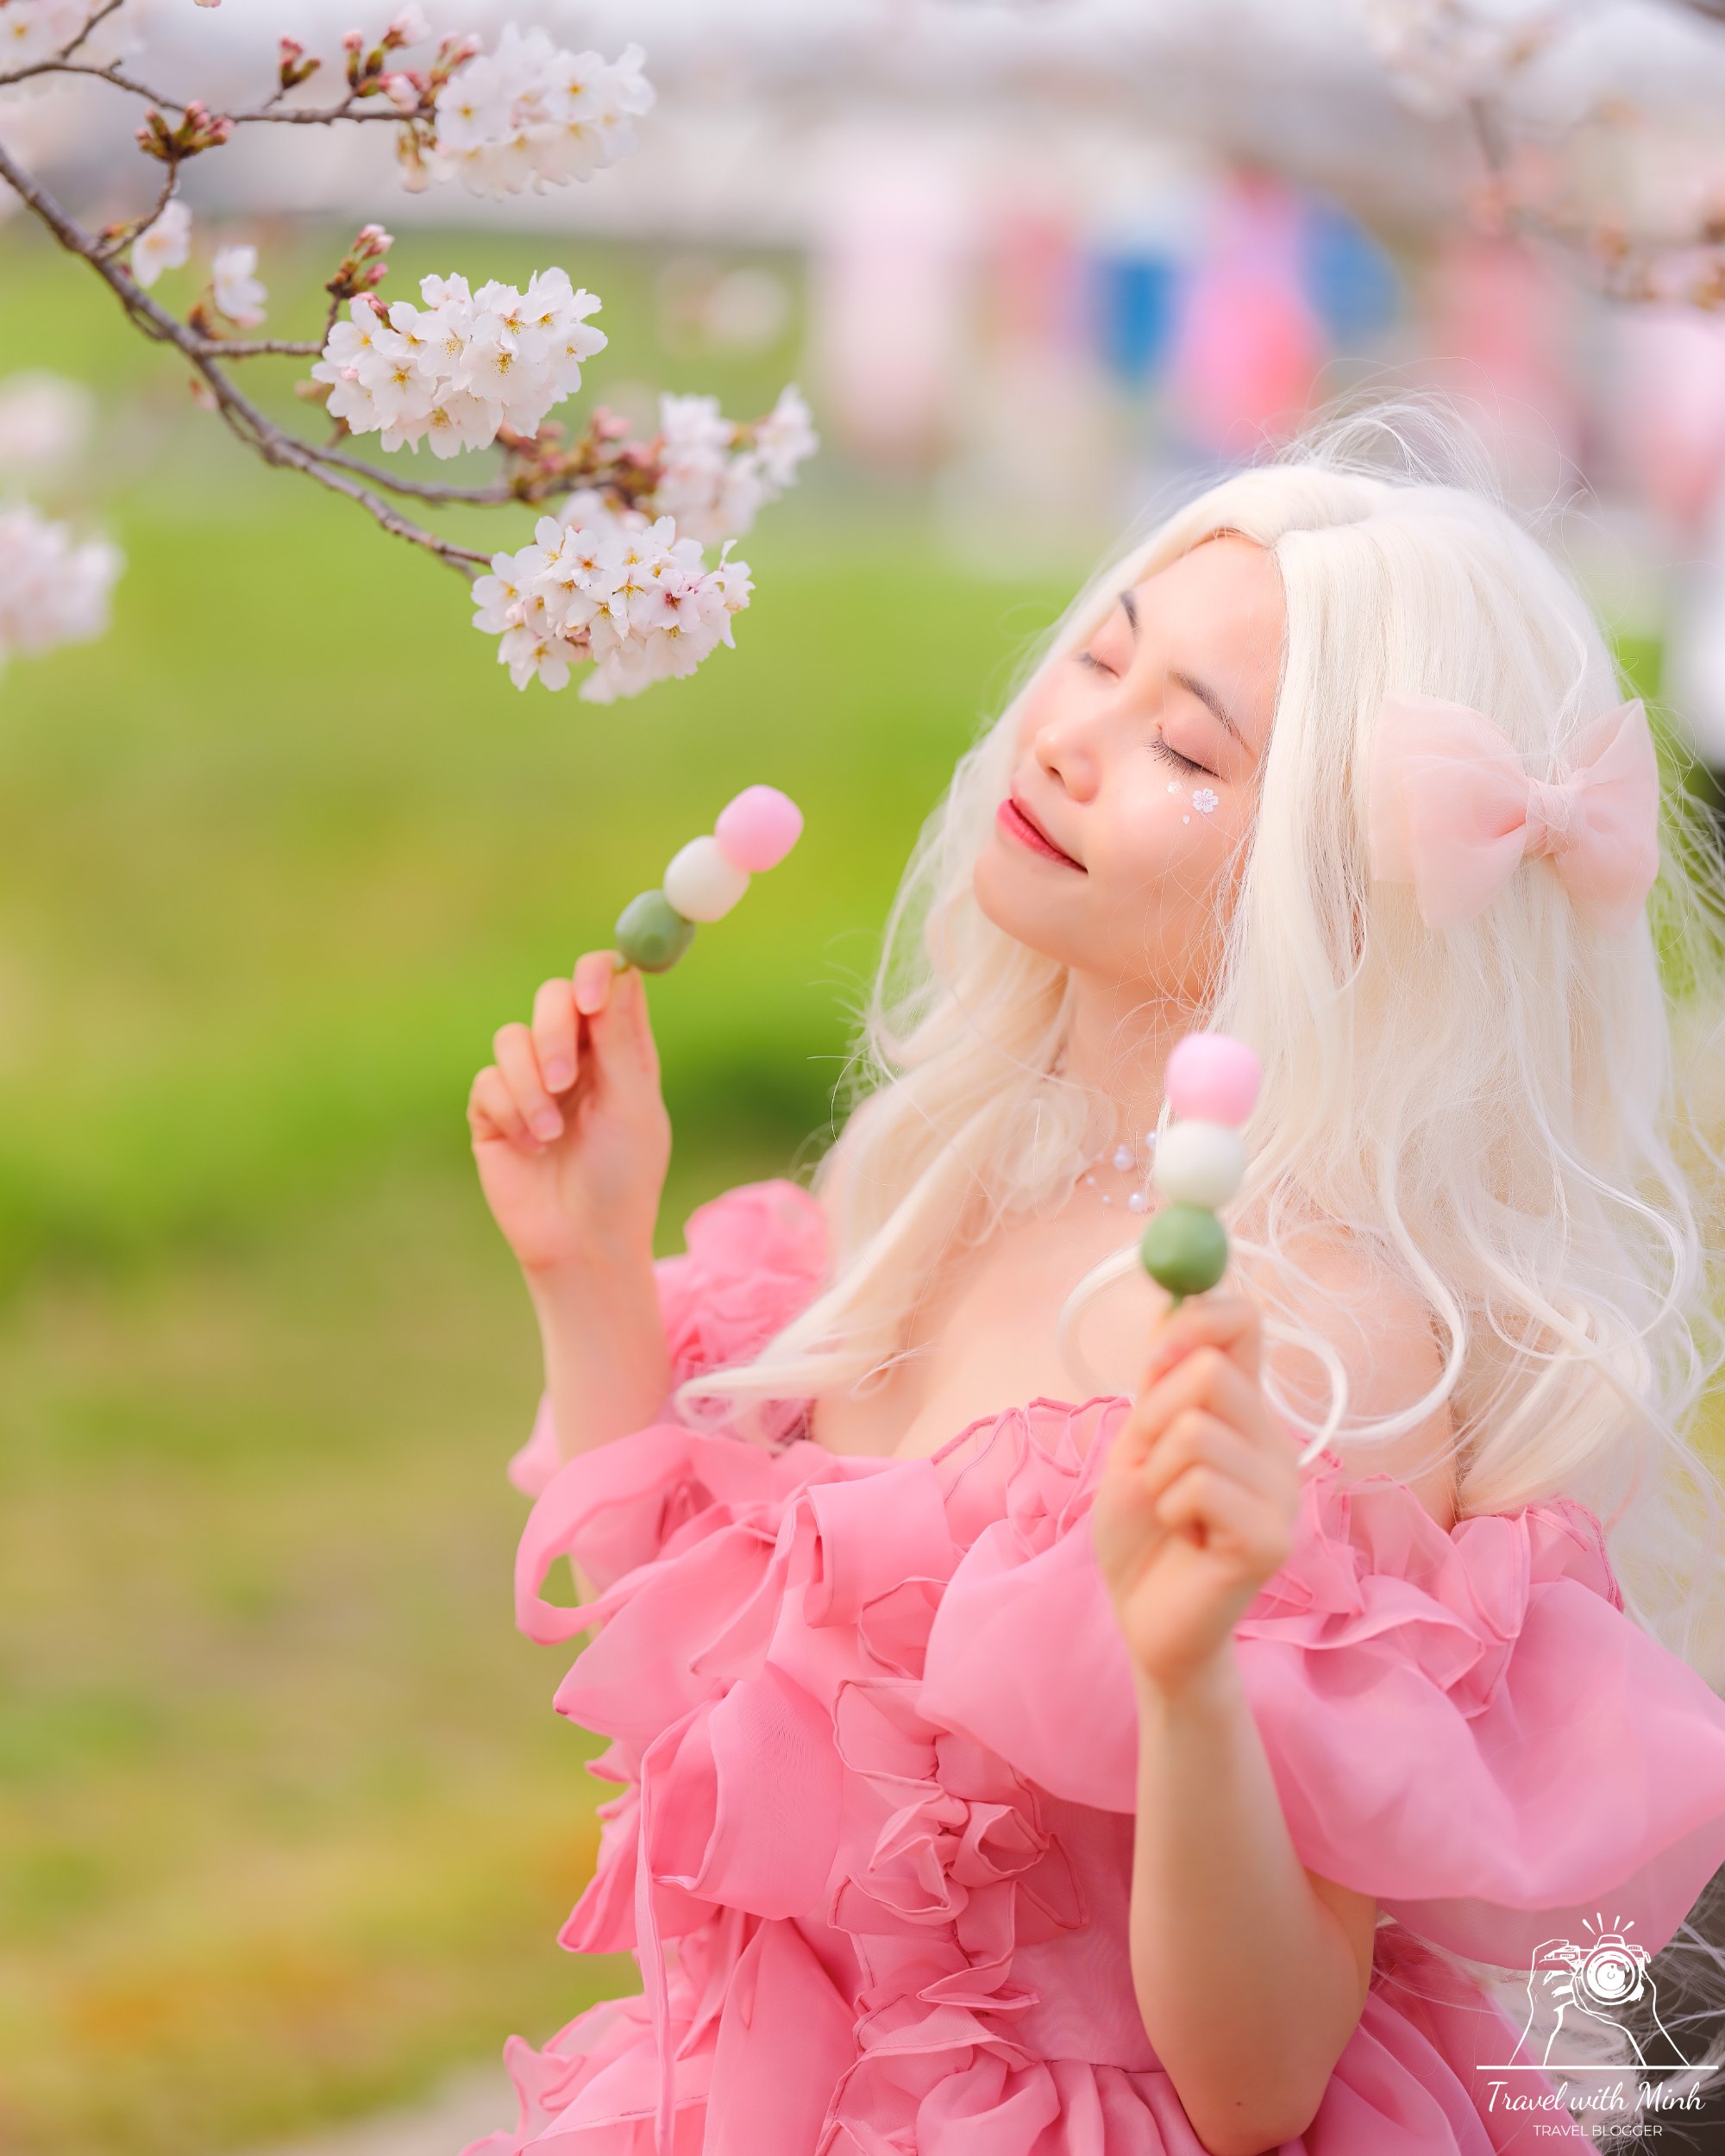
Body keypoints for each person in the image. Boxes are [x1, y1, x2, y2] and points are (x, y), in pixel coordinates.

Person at [461, 407, 1725, 2156]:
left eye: (1185, 754)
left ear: (1334, 894)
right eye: (1098, 660)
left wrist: (1192, 1677)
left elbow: (1260, 2074)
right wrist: (587, 1258)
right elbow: (687, 1676)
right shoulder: (951, 1179)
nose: (1065, 741)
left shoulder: (1300, 1337)